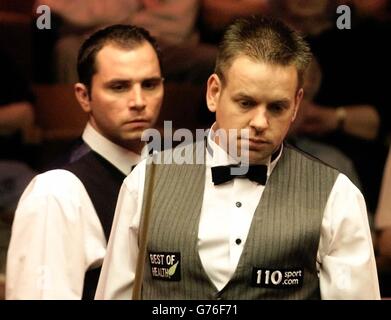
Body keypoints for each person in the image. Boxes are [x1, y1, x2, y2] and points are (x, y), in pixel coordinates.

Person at [96, 16, 379, 299]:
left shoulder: (336, 195)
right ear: (214, 93)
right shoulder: (146, 180)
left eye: (277, 107)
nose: (260, 122)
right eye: (246, 103)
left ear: (295, 107)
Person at [6, 24, 164, 299]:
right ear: (84, 96)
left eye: (149, 85)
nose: (139, 101)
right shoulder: (57, 192)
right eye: (119, 87)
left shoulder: (169, 174)